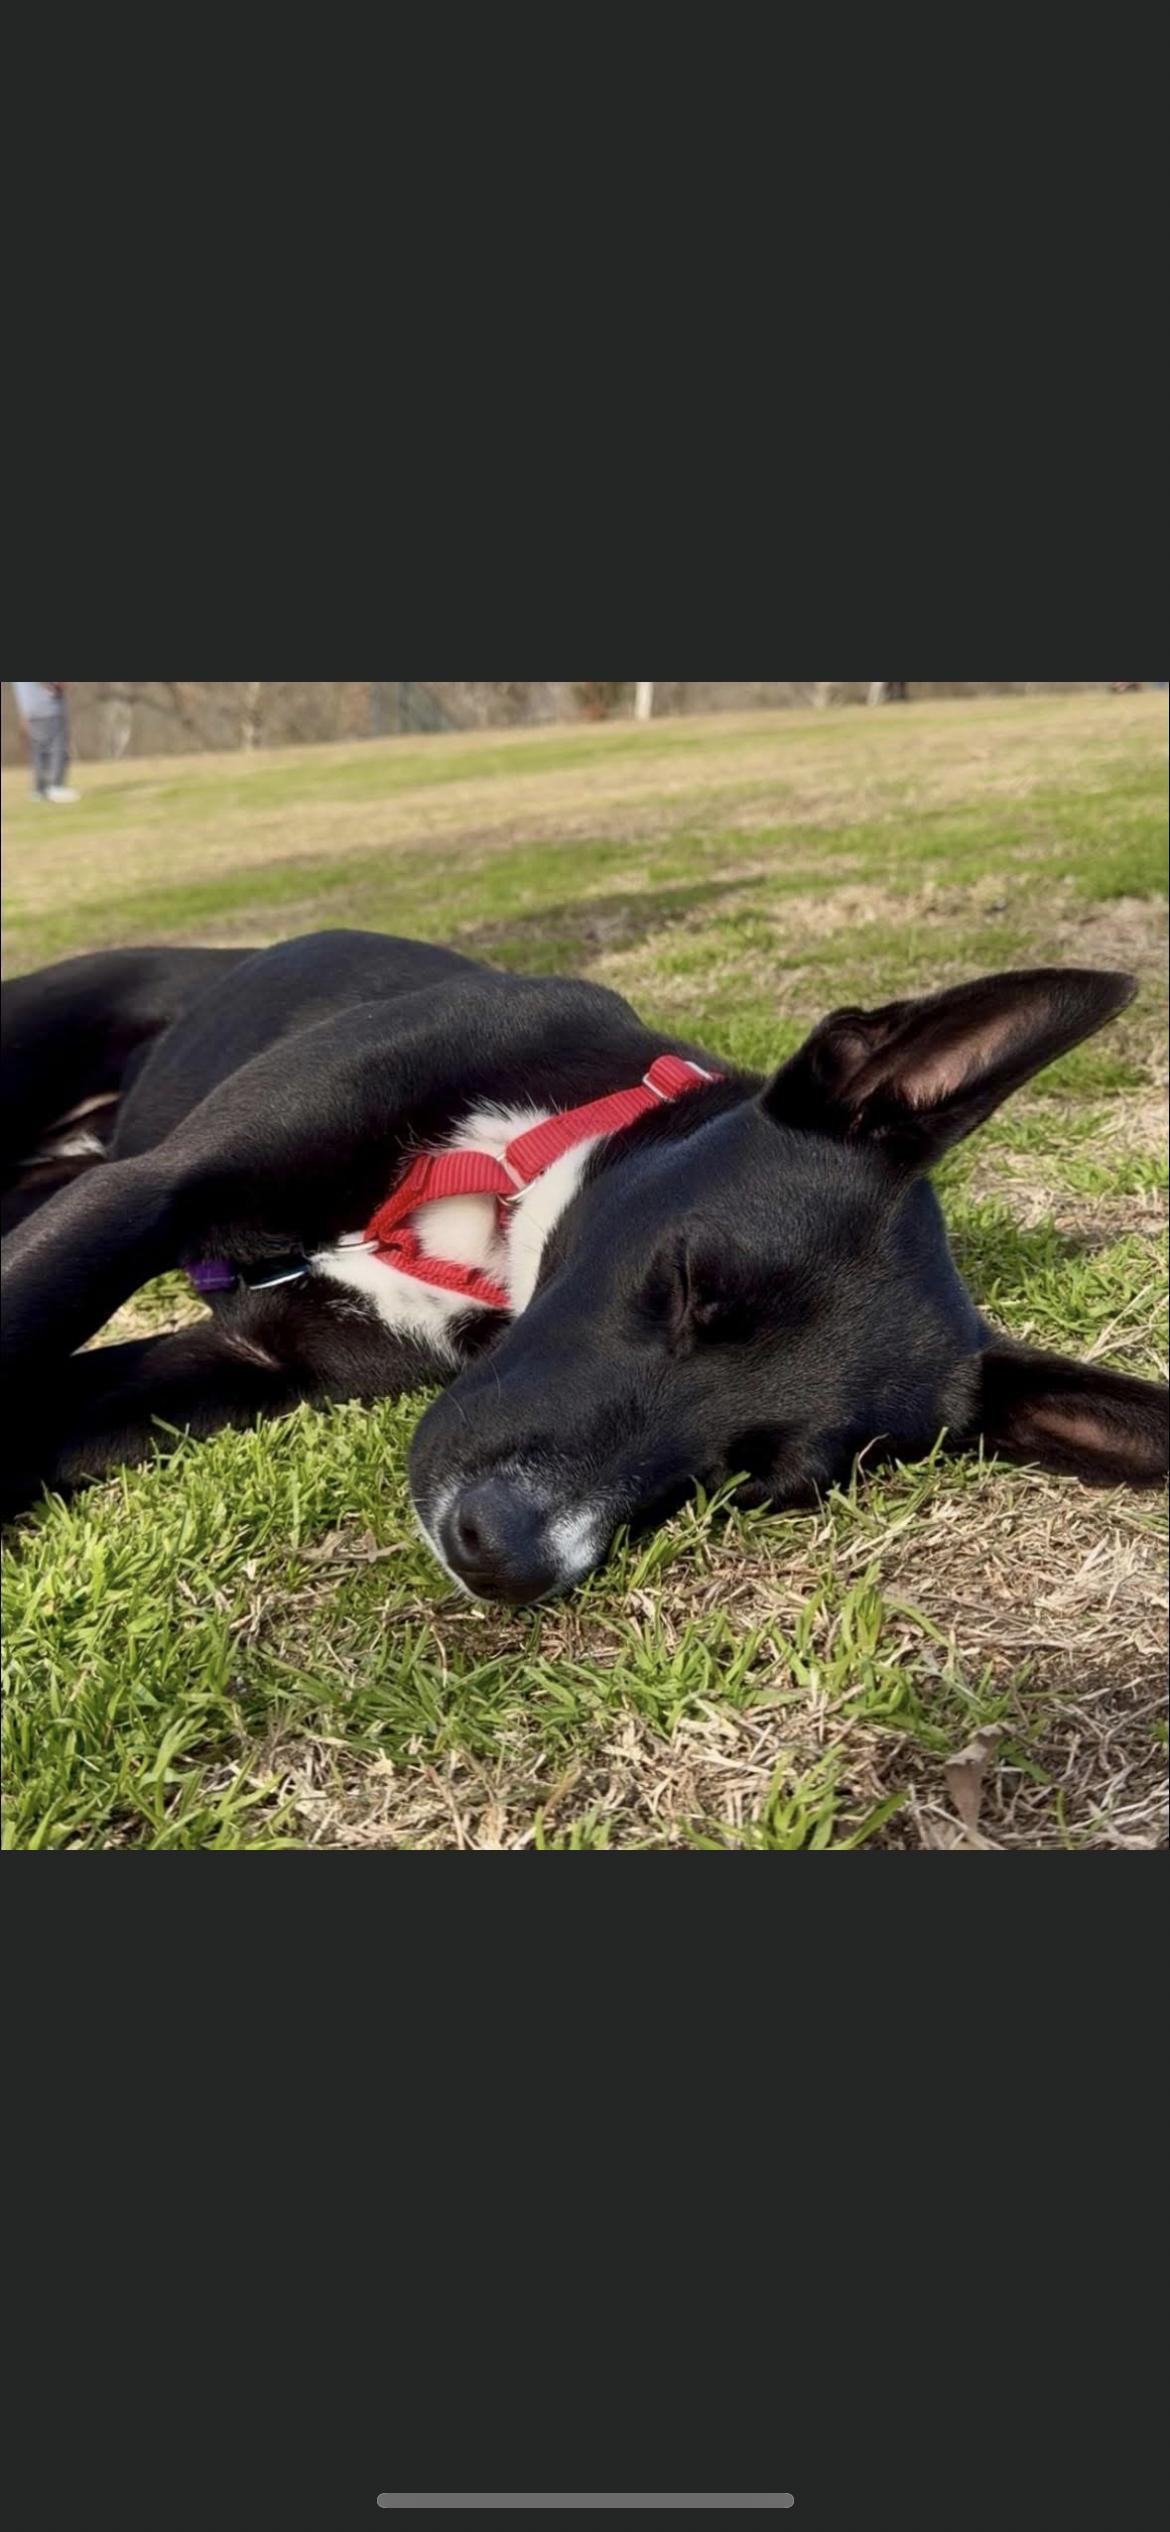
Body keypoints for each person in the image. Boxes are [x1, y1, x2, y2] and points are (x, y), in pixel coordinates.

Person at [11, 683, 80, 802]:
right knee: (57, 747)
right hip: (48, 707)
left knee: (38, 751)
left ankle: (39, 790)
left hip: (30, 711)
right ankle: (56, 786)